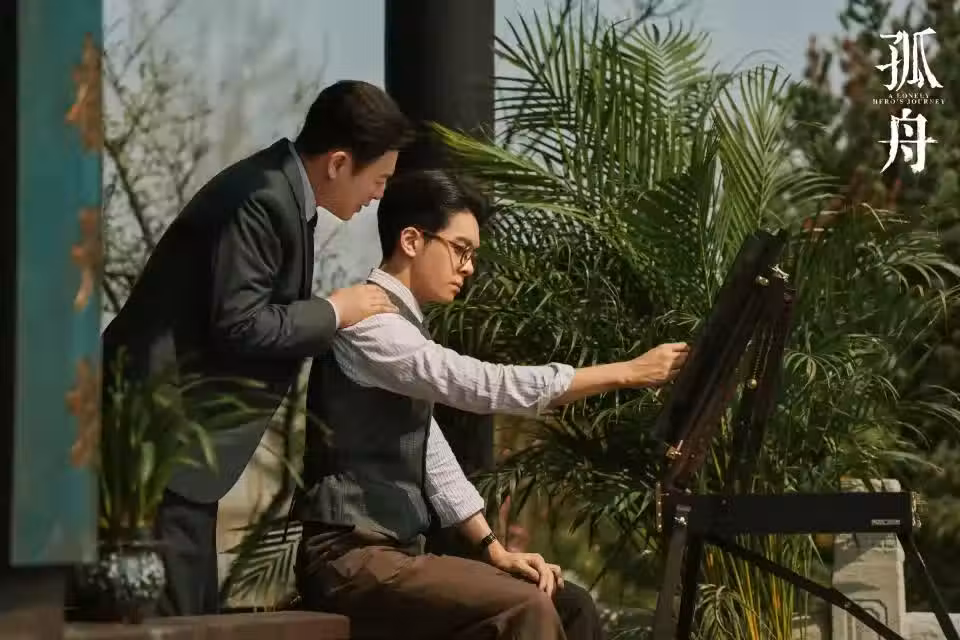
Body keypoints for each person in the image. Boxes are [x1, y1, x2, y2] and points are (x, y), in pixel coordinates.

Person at [293, 169, 690, 639]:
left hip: (394, 556)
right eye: (461, 249)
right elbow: (483, 385)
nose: (469, 267)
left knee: (570, 604)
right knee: (527, 606)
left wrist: (493, 548)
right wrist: (627, 372)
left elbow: (433, 459)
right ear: (412, 241)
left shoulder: (404, 328)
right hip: (349, 560)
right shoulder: (374, 324)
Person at [101, 80, 416, 617]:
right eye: (380, 179)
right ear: (339, 163)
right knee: (167, 619)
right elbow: (241, 323)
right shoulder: (262, 198)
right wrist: (336, 310)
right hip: (159, 443)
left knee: (189, 614)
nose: (379, 195)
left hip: (178, 451)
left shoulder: (282, 193)